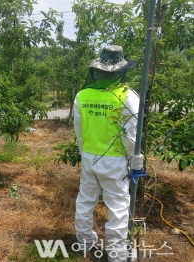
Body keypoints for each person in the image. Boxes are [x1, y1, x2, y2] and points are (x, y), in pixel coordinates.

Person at [73, 45, 143, 262]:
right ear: (120, 69)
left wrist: (84, 153)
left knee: (85, 200)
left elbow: (79, 131)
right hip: (114, 160)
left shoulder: (82, 95)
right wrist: (135, 161)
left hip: (89, 156)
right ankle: (118, 254)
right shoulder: (127, 96)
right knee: (119, 208)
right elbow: (130, 137)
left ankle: (84, 241)